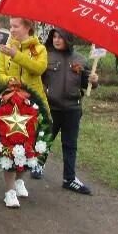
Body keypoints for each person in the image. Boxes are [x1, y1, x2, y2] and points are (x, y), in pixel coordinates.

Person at [0, 17, 48, 208]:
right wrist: (9, 81)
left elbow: (38, 68)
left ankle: (19, 179)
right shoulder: (5, 47)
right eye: (10, 26)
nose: (11, 30)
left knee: (28, 146)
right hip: (9, 104)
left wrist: (17, 55)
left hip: (32, 105)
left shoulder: (39, 49)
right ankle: (9, 191)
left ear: (27, 27)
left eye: (15, 26)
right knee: (9, 146)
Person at [42, 28, 99, 195]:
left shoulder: (80, 60)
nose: (57, 40)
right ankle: (37, 164)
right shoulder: (46, 57)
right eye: (54, 37)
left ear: (69, 39)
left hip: (72, 109)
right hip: (51, 108)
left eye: (60, 37)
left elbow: (87, 83)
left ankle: (69, 178)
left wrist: (94, 81)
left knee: (70, 145)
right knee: (45, 140)